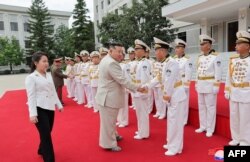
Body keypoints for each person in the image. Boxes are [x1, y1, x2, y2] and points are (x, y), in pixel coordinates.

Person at [95, 42, 146, 152]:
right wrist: (138, 88)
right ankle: (108, 144)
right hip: (108, 98)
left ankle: (114, 135)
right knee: (108, 123)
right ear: (110, 51)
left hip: (107, 96)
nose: (120, 54)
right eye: (118, 51)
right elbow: (123, 80)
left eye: (121, 52)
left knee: (111, 120)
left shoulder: (106, 59)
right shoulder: (111, 63)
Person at [146, 37, 187, 156]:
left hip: (176, 95)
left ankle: (175, 148)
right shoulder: (164, 63)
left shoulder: (171, 63)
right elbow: (158, 78)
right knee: (171, 121)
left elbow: (169, 81)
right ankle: (171, 143)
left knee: (176, 122)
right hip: (172, 95)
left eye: (157, 50)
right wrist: (146, 86)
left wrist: (166, 96)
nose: (155, 53)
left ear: (163, 51)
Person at [25, 51, 64, 162]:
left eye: (47, 61)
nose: (46, 63)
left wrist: (59, 104)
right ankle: (49, 159)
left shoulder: (48, 75)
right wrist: (32, 114)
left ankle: (41, 149)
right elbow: (31, 97)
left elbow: (52, 91)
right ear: (36, 63)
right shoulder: (31, 78)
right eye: (44, 61)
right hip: (38, 108)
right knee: (46, 135)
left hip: (49, 107)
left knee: (47, 131)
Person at [224, 31, 250, 146]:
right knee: (234, 117)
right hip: (234, 92)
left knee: (245, 119)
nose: (236, 46)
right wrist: (227, 89)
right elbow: (228, 76)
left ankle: (245, 141)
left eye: (239, 44)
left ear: (247, 46)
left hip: (246, 93)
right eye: (236, 44)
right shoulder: (233, 60)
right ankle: (236, 138)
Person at [195, 34, 222, 137]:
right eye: (200, 44)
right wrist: (197, 83)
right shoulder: (200, 57)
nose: (201, 46)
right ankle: (203, 126)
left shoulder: (216, 57)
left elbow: (218, 72)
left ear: (209, 45)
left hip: (210, 84)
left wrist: (216, 85)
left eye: (203, 44)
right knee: (201, 106)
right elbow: (198, 71)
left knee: (210, 107)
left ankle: (210, 128)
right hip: (201, 84)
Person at [132, 39, 152, 140]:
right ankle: (141, 130)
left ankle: (144, 133)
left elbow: (145, 79)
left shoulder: (144, 63)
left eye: (137, 49)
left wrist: (143, 92)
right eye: (135, 49)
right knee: (139, 113)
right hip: (137, 91)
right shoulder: (139, 62)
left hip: (141, 92)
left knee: (142, 113)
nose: (135, 51)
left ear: (143, 51)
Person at [173, 39, 193, 125]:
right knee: (176, 101)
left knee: (184, 103)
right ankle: (177, 117)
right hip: (175, 84)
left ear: (183, 49)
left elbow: (189, 73)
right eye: (176, 47)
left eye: (178, 47)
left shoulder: (187, 59)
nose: (176, 49)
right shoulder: (173, 59)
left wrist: (186, 85)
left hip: (183, 83)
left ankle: (184, 120)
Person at [151, 39, 169, 120]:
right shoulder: (155, 63)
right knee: (157, 99)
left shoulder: (167, 63)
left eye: (157, 50)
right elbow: (153, 74)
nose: (156, 53)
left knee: (162, 99)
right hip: (156, 84)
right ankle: (158, 111)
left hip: (162, 84)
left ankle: (163, 113)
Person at [117, 49, 131, 128]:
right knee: (118, 105)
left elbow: (128, 77)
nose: (119, 56)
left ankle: (124, 121)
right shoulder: (115, 64)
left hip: (123, 87)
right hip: (117, 88)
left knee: (124, 106)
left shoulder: (125, 65)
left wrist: (127, 87)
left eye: (121, 54)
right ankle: (119, 120)